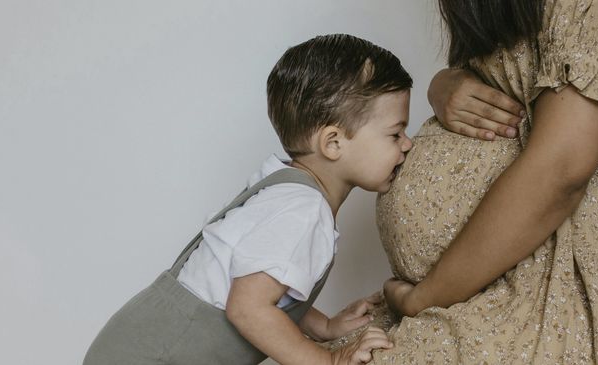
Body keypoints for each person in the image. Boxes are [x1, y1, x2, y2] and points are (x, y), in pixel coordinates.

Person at [329, 0, 598, 363]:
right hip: (471, 294)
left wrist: (425, 298)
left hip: (548, 300)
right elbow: (507, 82)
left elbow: (562, 169)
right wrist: (443, 84)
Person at [83, 33, 414, 365]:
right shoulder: (303, 210)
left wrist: (324, 326)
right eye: (395, 133)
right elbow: (248, 308)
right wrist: (329, 360)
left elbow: (265, 287)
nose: (407, 144)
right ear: (333, 143)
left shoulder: (283, 190)